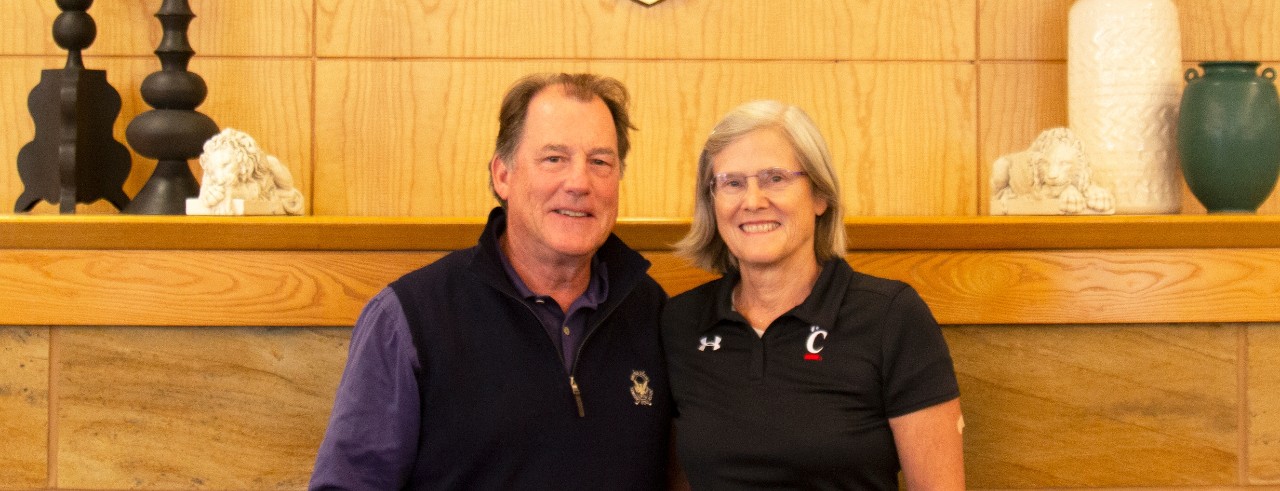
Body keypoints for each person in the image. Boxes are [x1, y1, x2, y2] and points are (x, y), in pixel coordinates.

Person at [310, 73, 672, 490]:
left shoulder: (652, 311)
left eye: (600, 162)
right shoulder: (409, 319)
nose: (579, 183)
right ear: (503, 175)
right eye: (554, 158)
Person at [662, 100, 964, 489]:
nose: (752, 201)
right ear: (712, 202)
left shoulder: (891, 317)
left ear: (820, 196)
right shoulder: (681, 322)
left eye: (775, 178)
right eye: (732, 183)